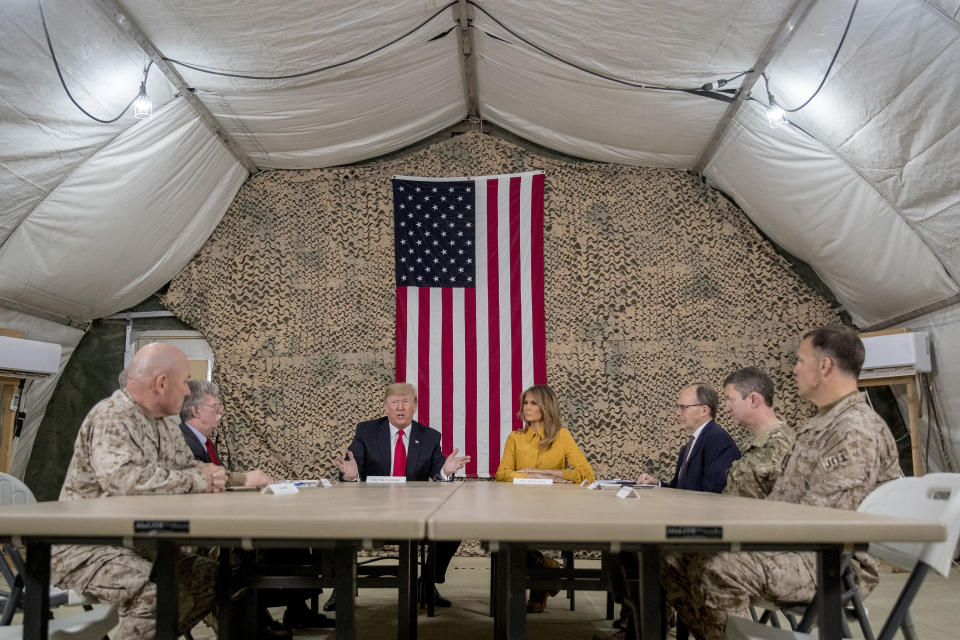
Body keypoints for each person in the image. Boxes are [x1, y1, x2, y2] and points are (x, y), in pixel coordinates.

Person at [667, 326, 902, 640]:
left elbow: (826, 523)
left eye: (801, 360)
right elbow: (782, 502)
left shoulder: (855, 429)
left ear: (825, 366)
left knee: (718, 568)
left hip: (829, 564)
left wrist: (740, 537)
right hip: (795, 547)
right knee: (672, 556)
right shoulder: (819, 425)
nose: (794, 368)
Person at [50, 343, 225, 639]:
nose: (186, 392)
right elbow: (124, 480)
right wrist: (198, 479)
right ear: (161, 383)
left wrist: (220, 476)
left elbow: (190, 466)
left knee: (211, 579)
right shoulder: (112, 415)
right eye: (184, 382)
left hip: (136, 541)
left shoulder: (164, 425)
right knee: (155, 593)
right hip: (88, 547)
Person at [335, 382, 469, 607]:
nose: (400, 408)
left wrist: (446, 471)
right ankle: (340, 589)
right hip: (371, 509)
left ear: (414, 406)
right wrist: (351, 476)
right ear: (386, 407)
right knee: (331, 525)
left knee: (452, 531)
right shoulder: (366, 431)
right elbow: (351, 467)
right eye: (395, 403)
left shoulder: (429, 437)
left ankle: (426, 583)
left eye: (406, 402)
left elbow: (438, 475)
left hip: (414, 511)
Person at [495, 384, 595, 612]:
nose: (527, 407)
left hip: (554, 506)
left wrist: (550, 473)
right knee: (509, 533)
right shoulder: (515, 438)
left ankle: (541, 582)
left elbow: (586, 474)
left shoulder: (562, 436)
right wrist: (529, 474)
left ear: (546, 406)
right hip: (520, 505)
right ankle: (546, 571)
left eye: (533, 402)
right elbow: (501, 475)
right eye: (525, 402)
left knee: (525, 533)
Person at [636, 383, 741, 492]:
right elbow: (679, 491)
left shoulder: (718, 440)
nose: (677, 413)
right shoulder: (689, 445)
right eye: (678, 407)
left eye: (683, 407)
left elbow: (714, 494)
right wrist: (657, 484)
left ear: (704, 410)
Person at [178, 379, 273, 488]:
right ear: (196, 411)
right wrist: (244, 479)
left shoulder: (205, 442)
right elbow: (207, 480)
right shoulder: (182, 442)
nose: (221, 411)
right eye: (215, 406)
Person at [720, 367, 796, 498]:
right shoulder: (752, 442)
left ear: (753, 400)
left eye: (731, 399)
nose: (726, 408)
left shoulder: (783, 445)